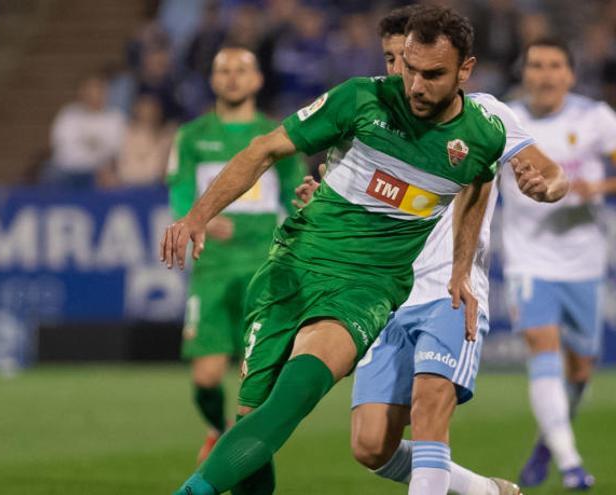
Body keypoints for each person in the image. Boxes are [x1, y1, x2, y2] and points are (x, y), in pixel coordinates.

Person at [162, 6, 507, 494]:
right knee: (250, 417)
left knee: (290, 401)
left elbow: (477, 186)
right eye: (408, 68)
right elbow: (265, 149)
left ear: (464, 71)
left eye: (433, 75)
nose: (416, 86)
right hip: (293, 268)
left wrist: (460, 270)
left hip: (365, 289)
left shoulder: (481, 136)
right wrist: (198, 215)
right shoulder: (360, 100)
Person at [291, 6, 569, 495]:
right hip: (381, 293)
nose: (405, 75)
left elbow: (551, 173)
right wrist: (323, 203)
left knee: (428, 413)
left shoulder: (485, 117)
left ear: (458, 69)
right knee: (371, 445)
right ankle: (484, 491)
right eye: (395, 61)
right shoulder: (372, 115)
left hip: (449, 289)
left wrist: (543, 188)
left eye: (416, 65)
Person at [166, 46, 305, 464]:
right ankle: (217, 429)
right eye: (222, 69)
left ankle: (247, 450)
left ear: (258, 79)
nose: (231, 77)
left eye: (240, 69)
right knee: (206, 376)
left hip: (263, 265)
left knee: (256, 374)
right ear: (212, 79)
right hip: (212, 267)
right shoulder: (192, 136)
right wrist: (196, 218)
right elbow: (180, 190)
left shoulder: (277, 136)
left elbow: (295, 193)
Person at [502, 37, 616, 491]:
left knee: (582, 368)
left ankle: (548, 443)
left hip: (584, 262)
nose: (544, 74)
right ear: (524, 73)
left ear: (569, 75)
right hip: (527, 260)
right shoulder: (506, 121)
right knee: (541, 346)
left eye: (554, 65)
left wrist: (600, 188)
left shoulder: (595, 118)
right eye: (535, 65)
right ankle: (571, 465)